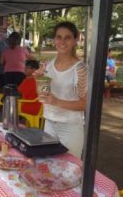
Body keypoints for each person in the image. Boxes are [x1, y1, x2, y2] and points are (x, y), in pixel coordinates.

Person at [37, 21, 87, 158]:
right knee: (48, 169)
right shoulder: (48, 65)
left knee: (69, 172)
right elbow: (44, 96)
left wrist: (56, 101)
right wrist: (38, 80)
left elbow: (85, 104)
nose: (62, 41)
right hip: (49, 124)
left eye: (68, 37)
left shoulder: (80, 68)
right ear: (54, 40)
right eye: (59, 37)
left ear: (76, 40)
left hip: (70, 128)